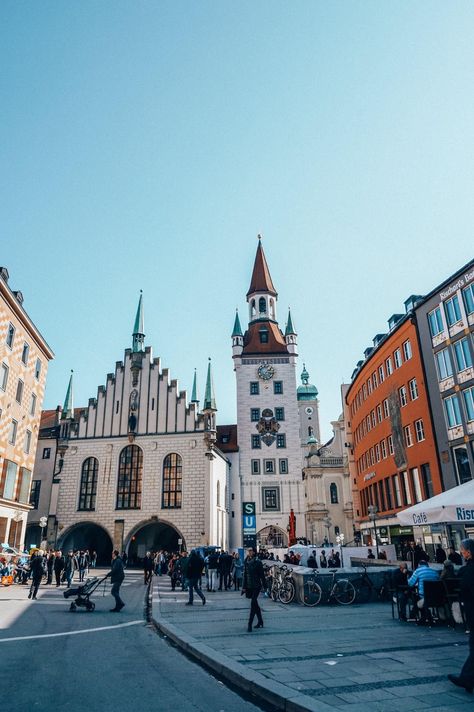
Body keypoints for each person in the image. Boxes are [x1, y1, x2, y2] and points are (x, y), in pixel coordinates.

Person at [448, 538, 474, 694]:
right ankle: (467, 678)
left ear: (469, 552)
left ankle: (466, 678)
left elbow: (465, 590)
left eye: (462, 550)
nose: (461, 553)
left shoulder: (469, 571)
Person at [407, 559, 439, 625]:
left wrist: (407, 577)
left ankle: (421, 616)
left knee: (415, 597)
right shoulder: (434, 572)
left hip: (424, 597)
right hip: (436, 597)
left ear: (419, 565)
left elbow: (410, 583)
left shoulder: (418, 571)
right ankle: (424, 617)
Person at [242, 547, 266, 632]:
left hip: (256, 586)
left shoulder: (258, 562)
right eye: (248, 551)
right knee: (255, 604)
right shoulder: (246, 562)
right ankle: (260, 621)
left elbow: (262, 575)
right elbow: (245, 575)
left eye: (251, 551)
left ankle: (249, 624)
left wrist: (265, 587)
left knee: (253, 603)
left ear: (253, 552)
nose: (249, 552)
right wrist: (243, 587)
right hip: (249, 586)